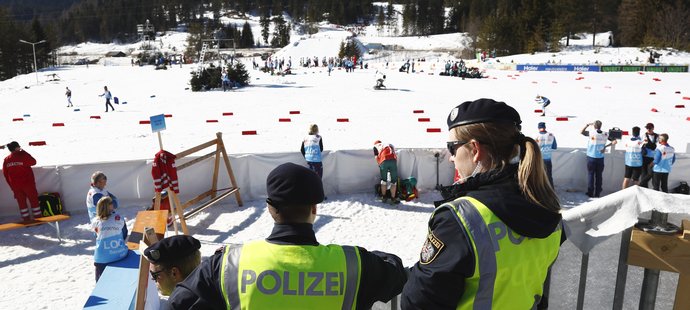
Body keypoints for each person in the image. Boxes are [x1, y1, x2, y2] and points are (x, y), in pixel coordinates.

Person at [168, 163, 407, 309]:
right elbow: (396, 274)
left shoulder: (229, 265)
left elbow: (179, 302)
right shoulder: (353, 264)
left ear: (271, 209)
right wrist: (368, 257)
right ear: (315, 208)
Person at [402, 98, 562, 309]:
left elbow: (418, 302)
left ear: (475, 149)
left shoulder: (460, 219)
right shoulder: (546, 204)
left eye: (452, 148)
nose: (451, 158)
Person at [91, 196, 128, 282]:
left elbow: (96, 236)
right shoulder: (118, 218)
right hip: (119, 255)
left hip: (101, 259)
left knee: (101, 286)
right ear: (109, 206)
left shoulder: (95, 222)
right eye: (111, 203)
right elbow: (124, 234)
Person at [3, 141, 41, 221]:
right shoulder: (23, 155)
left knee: (21, 204)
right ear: (16, 148)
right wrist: (24, 152)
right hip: (28, 184)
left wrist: (12, 186)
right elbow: (33, 162)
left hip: (15, 186)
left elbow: (5, 175)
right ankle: (38, 219)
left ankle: (26, 220)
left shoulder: (6, 160)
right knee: (34, 201)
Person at [580, 120, 616, 197]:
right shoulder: (605, 134)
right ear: (601, 126)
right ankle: (597, 192)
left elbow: (581, 132)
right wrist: (605, 147)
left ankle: (590, 192)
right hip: (600, 158)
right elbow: (615, 141)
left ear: (594, 126)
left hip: (591, 157)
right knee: (599, 176)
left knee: (591, 175)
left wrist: (587, 124)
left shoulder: (591, 133)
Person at [535, 121, 557, 187]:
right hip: (548, 158)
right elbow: (554, 147)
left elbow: (533, 149)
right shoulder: (551, 135)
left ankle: (540, 190)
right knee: (549, 176)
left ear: (538, 128)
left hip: (539, 159)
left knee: (539, 176)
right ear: (545, 127)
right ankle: (551, 190)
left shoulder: (536, 136)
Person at [639, 122, 659, 188]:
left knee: (652, 174)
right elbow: (639, 144)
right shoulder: (643, 135)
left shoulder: (657, 136)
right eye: (647, 128)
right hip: (644, 158)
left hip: (652, 159)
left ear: (653, 128)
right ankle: (643, 188)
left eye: (649, 128)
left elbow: (658, 146)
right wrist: (643, 145)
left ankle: (654, 189)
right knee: (644, 174)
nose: (648, 129)